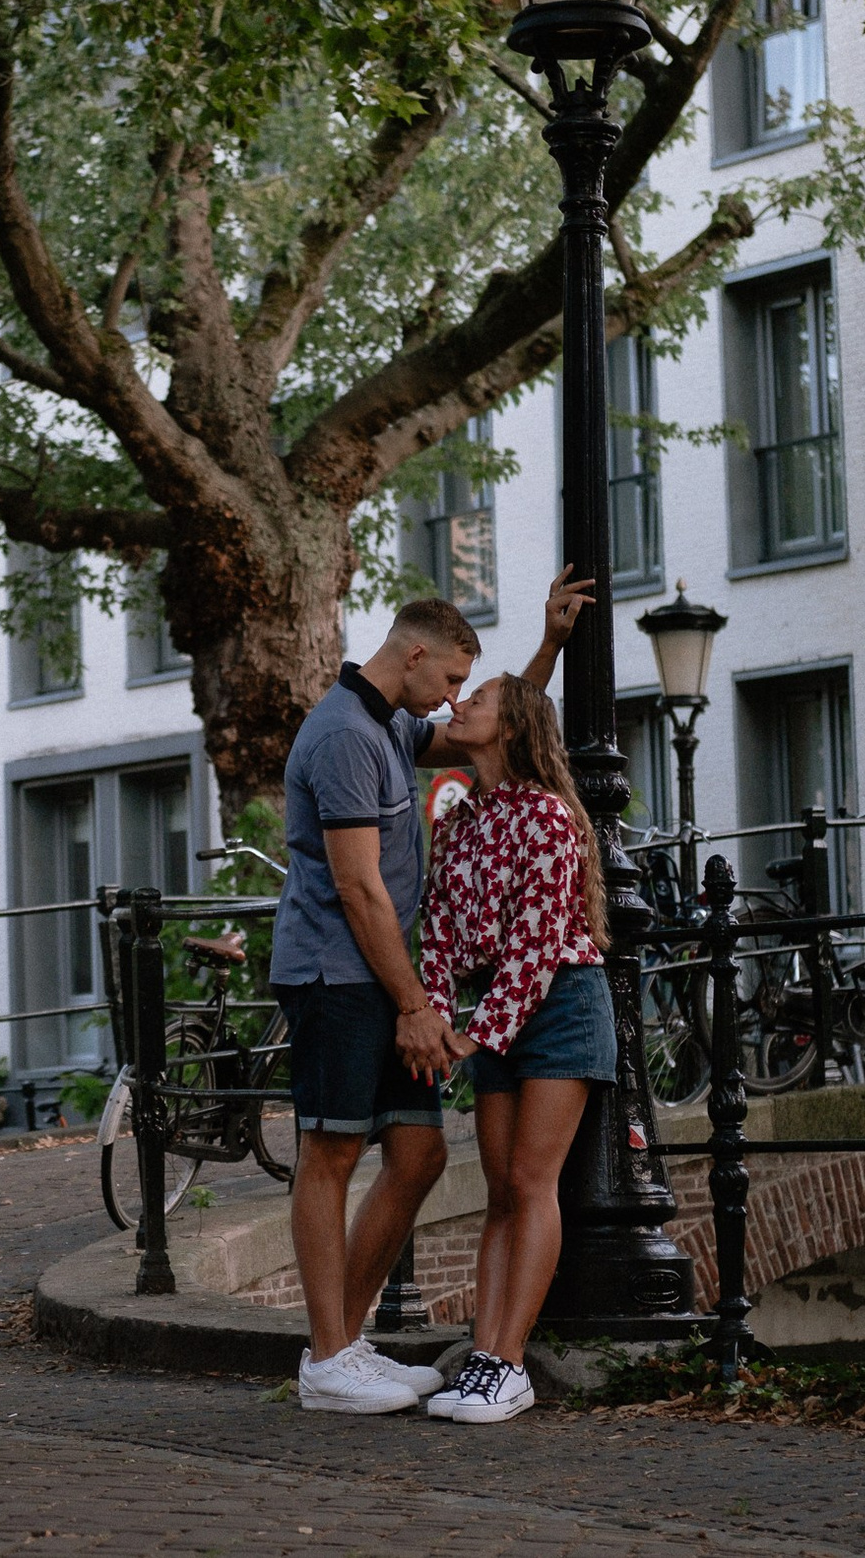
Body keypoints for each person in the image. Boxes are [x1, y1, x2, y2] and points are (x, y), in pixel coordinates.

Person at [270, 571, 592, 1415]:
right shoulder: (346, 735)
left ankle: (340, 1347)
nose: (454, 700)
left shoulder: (391, 723)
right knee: (330, 1153)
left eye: (464, 688)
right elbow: (359, 888)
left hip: (383, 977)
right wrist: (419, 1004)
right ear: (414, 655)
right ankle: (329, 1357)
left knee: (418, 1155)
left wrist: (550, 645)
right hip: (335, 973)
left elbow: (500, 730)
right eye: (451, 679)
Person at [415, 671, 614, 1424]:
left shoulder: (550, 817)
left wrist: (474, 1033)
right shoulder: (458, 822)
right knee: (499, 1189)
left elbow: (536, 942)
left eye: (478, 700)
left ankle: (509, 1363)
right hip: (496, 1013)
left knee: (532, 1181)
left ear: (511, 727)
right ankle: (483, 1357)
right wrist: (438, 1024)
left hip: (561, 1003)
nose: (458, 704)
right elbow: (436, 934)